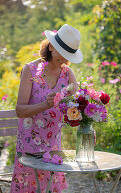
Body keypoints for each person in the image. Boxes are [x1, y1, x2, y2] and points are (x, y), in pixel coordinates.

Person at [10, 24, 83, 193]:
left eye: (68, 56)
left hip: (53, 148)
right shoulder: (30, 70)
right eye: (62, 54)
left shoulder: (67, 73)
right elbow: (20, 110)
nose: (65, 60)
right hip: (29, 148)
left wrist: (85, 120)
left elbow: (78, 106)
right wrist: (45, 105)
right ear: (51, 47)